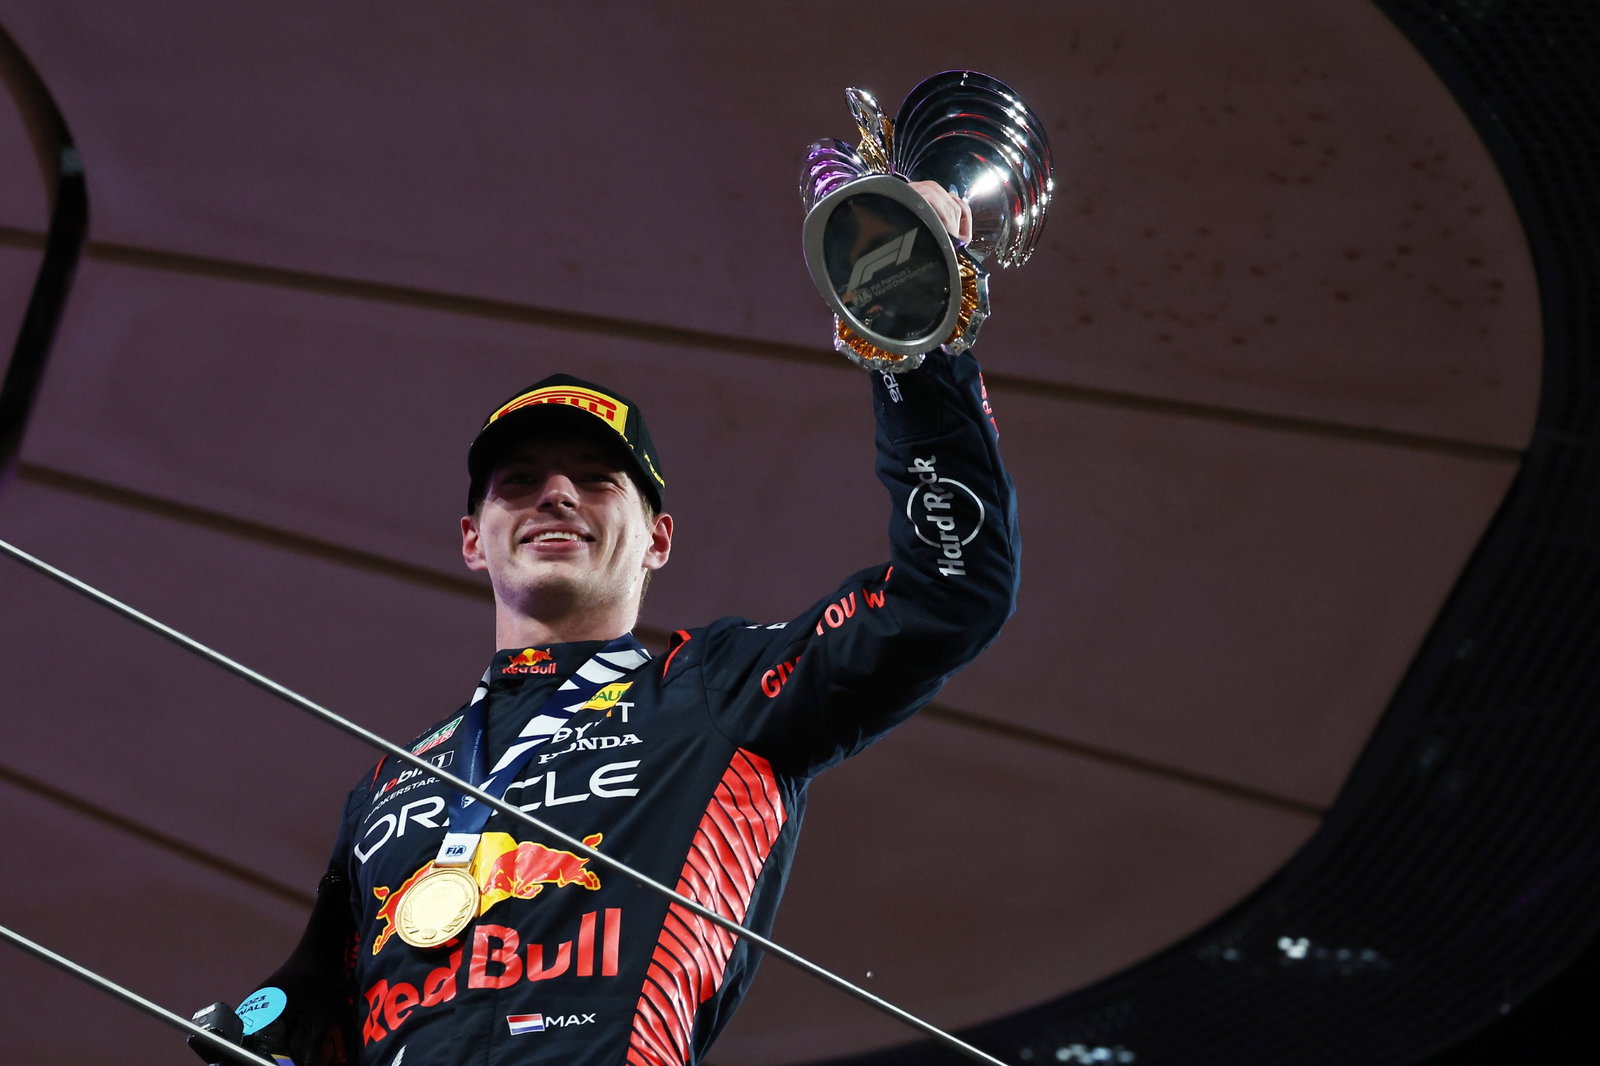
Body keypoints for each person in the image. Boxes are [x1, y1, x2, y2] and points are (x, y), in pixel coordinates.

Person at [193, 182, 1018, 1066]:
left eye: (595, 479)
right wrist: (255, 1028)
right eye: (519, 481)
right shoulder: (389, 786)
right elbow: (317, 999)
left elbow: (945, 594)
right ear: (472, 540)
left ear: (658, 540)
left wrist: (913, 347)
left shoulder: (718, 693)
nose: (555, 493)